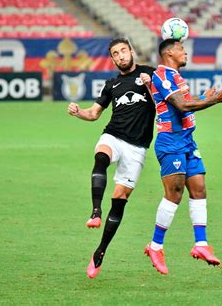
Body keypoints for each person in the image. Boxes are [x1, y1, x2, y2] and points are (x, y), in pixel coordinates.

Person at [144, 39, 222, 275]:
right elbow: (182, 106)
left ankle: (201, 244)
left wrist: (204, 99)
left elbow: (186, 102)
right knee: (174, 195)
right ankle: (155, 246)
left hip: (187, 141)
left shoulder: (176, 76)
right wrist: (212, 100)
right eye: (180, 49)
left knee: (199, 188)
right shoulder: (162, 75)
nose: (185, 51)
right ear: (168, 53)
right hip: (171, 142)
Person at [67, 38, 155, 278]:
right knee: (101, 157)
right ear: (113, 58)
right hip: (113, 134)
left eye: (123, 51)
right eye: (115, 53)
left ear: (131, 51)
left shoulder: (150, 73)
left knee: (120, 198)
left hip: (137, 147)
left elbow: (164, 102)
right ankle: (95, 211)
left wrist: (150, 86)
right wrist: (78, 112)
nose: (120, 56)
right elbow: (94, 114)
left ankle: (100, 252)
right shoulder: (111, 84)